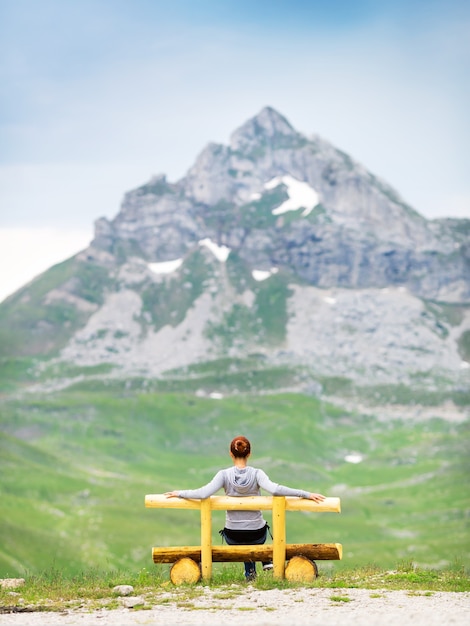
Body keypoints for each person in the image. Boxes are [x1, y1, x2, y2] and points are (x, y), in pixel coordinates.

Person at [165, 435, 325, 581]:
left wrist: (179, 493)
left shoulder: (223, 475)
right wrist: (306, 494)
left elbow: (203, 493)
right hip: (257, 534)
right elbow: (276, 489)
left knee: (239, 535)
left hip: (233, 535)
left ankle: (251, 573)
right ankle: (265, 561)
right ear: (249, 454)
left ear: (230, 454)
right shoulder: (257, 474)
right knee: (260, 529)